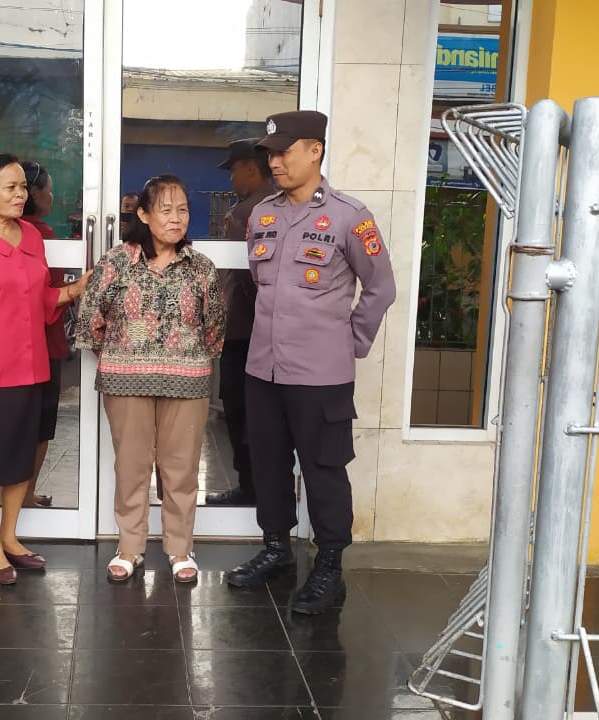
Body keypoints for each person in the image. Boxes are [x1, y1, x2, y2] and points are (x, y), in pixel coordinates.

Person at [226, 110, 397, 615]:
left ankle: (329, 566)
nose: (274, 162)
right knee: (268, 462)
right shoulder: (263, 215)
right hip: (263, 368)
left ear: (315, 150)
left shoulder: (349, 217)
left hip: (321, 375)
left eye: (284, 152)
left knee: (324, 469)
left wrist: (349, 343)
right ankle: (276, 548)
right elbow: (259, 287)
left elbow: (381, 288)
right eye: (270, 154)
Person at [0, 152, 90, 585]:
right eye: (10, 187)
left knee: (18, 457)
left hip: (30, 367)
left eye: (23, 186)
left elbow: (40, 300)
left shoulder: (31, 237)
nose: (20, 194)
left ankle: (10, 536)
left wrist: (76, 289)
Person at [77, 174, 225, 584]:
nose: (176, 218)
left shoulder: (201, 267)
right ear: (143, 214)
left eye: (183, 210)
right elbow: (91, 319)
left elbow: (215, 328)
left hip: (188, 381)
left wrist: (186, 357)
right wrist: (124, 354)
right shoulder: (116, 262)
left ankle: (180, 548)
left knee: (181, 468)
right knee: (132, 466)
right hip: (126, 381)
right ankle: (129, 547)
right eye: (166, 210)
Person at [207, 138, 272, 506]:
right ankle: (259, 489)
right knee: (255, 413)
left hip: (245, 332)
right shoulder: (271, 205)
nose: (231, 178)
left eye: (234, 170)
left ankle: (250, 489)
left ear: (250, 168)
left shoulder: (250, 212)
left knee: (241, 411)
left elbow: (248, 276)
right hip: (259, 331)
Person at [19, 160, 64, 509]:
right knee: (39, 423)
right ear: (33, 193)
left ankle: (12, 494)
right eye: (48, 189)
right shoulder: (41, 235)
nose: (52, 196)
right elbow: (54, 287)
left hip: (11, 345)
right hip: (43, 341)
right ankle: (26, 494)